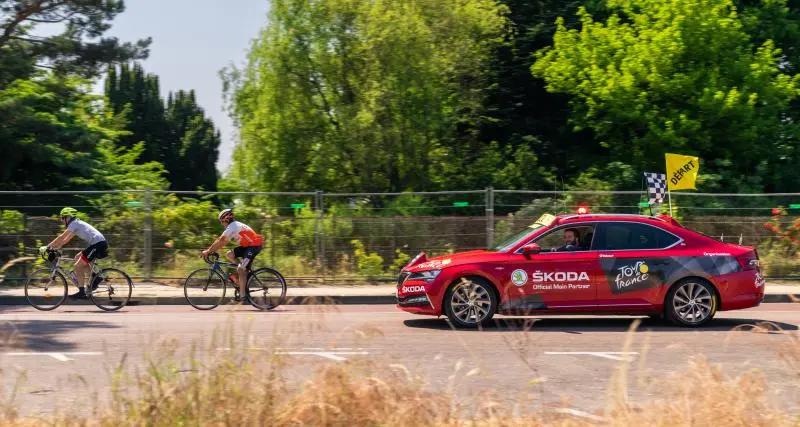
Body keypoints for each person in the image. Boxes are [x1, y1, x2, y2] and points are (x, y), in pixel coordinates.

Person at [40, 207, 109, 299]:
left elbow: (61, 237)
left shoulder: (74, 223)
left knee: (78, 266)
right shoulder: (76, 224)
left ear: (68, 217)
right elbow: (65, 240)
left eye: (63, 218)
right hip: (97, 243)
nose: (62, 220)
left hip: (98, 244)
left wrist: (48, 247)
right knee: (77, 257)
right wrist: (54, 248)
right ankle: (95, 278)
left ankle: (82, 292)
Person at [201, 209, 264, 302]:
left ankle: (243, 296)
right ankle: (243, 272)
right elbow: (223, 242)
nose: (222, 224)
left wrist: (208, 251)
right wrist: (211, 250)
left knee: (240, 269)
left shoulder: (232, 226)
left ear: (226, 219)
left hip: (254, 246)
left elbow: (221, 240)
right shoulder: (233, 226)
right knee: (230, 254)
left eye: (222, 222)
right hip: (248, 246)